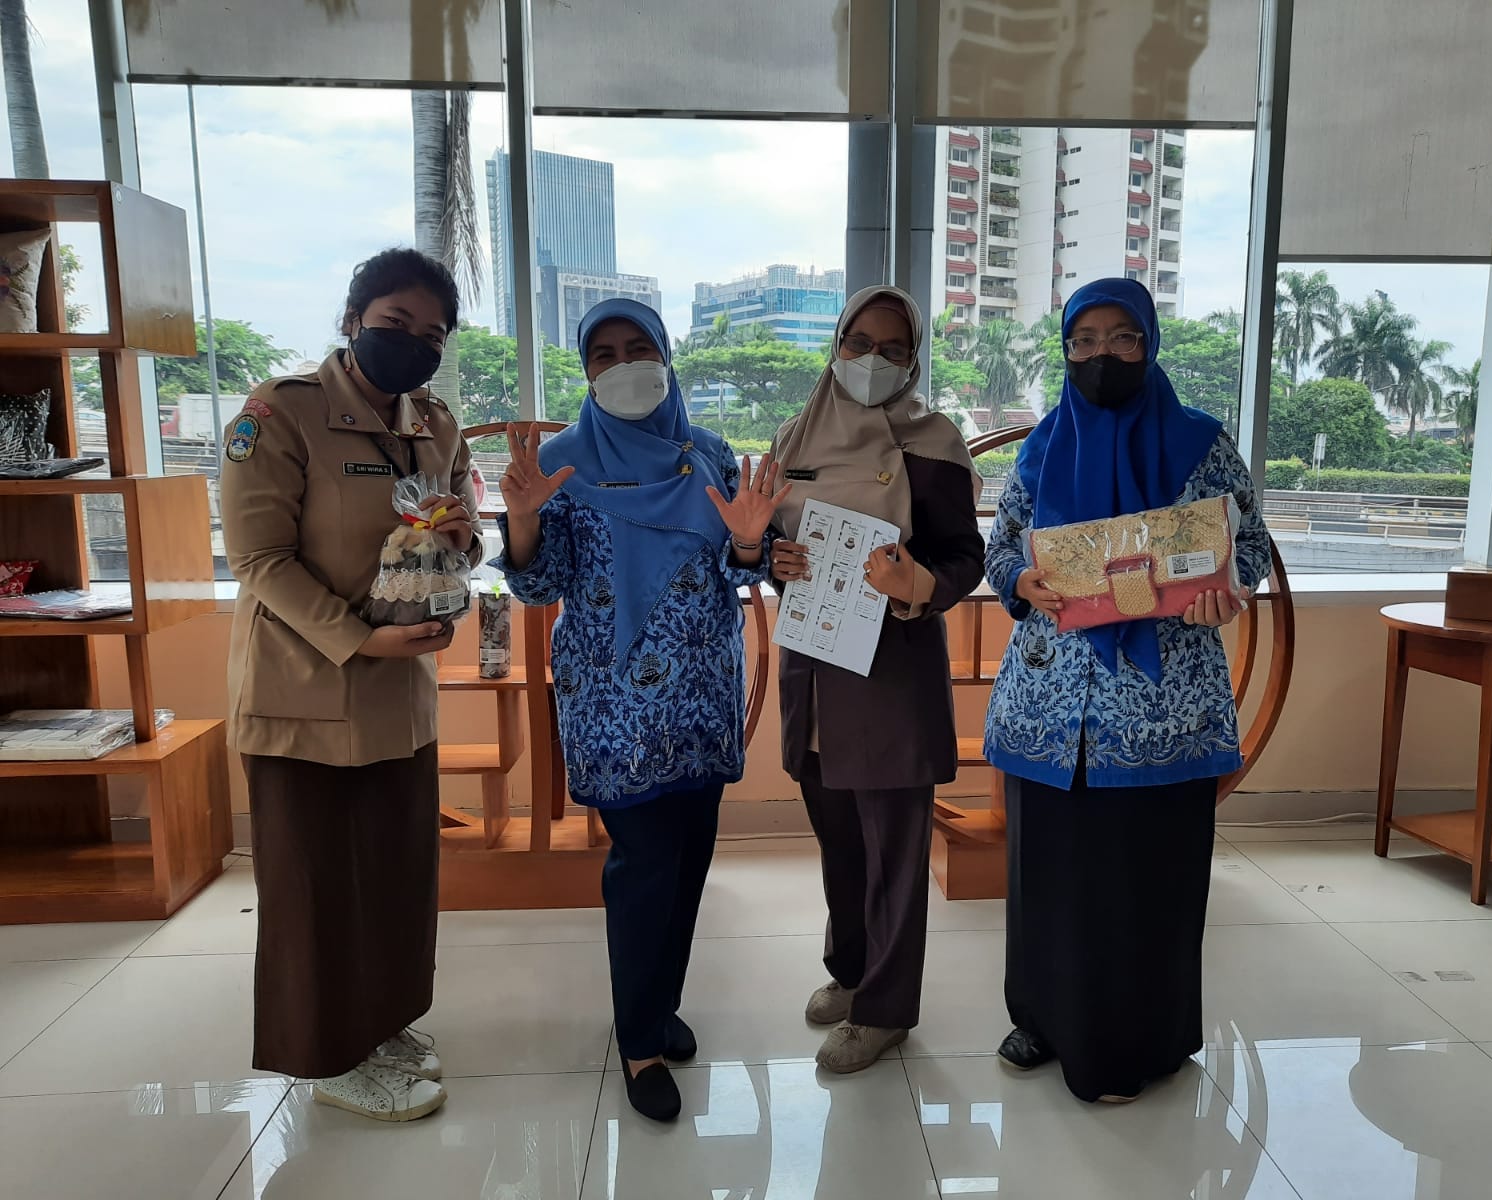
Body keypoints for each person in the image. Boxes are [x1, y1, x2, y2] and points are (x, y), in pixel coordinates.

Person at [493, 299, 784, 1123]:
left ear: (665, 356)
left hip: (701, 695)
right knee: (645, 864)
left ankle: (658, 1003)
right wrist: (522, 522)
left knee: (689, 860)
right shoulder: (560, 462)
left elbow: (740, 572)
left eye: (639, 348)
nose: (624, 366)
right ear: (585, 370)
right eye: (604, 354)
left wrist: (751, 543)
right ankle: (639, 1042)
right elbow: (539, 585)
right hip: (613, 703)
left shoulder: (708, 454)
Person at [983, 277, 1271, 1104]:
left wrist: (1226, 591)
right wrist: (1021, 583)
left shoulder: (1201, 444)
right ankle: (1042, 1018)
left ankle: (1144, 1038)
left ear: (1149, 344)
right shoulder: (1041, 447)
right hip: (1050, 706)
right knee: (1048, 875)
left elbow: (1249, 545)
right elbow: (1003, 550)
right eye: (1084, 340)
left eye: (1122, 338)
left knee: (1146, 879)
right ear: (1065, 349)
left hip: (1160, 708)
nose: (1101, 354)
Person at [220, 248, 482, 1123]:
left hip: (400, 692)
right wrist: (359, 638)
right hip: (305, 687)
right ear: (352, 319)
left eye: (432, 334)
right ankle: (327, 1056)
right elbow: (258, 559)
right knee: (318, 885)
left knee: (396, 870)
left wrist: (460, 541)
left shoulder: (434, 424)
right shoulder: (281, 414)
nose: (413, 344)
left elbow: (464, 530)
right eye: (395, 323)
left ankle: (379, 1023)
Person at [768, 286, 984, 1073]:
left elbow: (965, 557)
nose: (871, 360)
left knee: (893, 852)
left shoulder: (936, 443)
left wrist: (917, 583)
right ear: (837, 343)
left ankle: (886, 1009)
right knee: (839, 843)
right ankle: (852, 971)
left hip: (891, 674)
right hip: (815, 669)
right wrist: (773, 560)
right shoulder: (796, 435)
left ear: (914, 359)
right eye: (858, 342)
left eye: (893, 349)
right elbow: (772, 544)